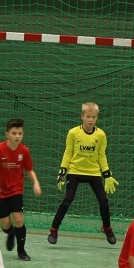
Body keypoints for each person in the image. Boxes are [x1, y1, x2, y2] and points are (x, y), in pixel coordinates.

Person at [47, 102, 119, 245]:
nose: (90, 120)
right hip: (75, 171)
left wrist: (107, 174)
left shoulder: (101, 135)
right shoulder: (73, 133)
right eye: (88, 116)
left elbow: (101, 155)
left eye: (93, 117)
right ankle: (54, 229)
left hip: (93, 173)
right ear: (82, 116)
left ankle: (107, 228)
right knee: (67, 199)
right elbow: (68, 152)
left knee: (104, 201)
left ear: (97, 117)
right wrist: (62, 172)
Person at [0, 118, 42, 261]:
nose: (17, 136)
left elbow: (29, 170)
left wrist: (36, 183)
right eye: (14, 133)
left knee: (18, 219)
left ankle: (21, 250)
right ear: (7, 134)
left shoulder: (24, 151)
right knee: (5, 223)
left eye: (20, 133)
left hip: (16, 190)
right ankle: (11, 233)